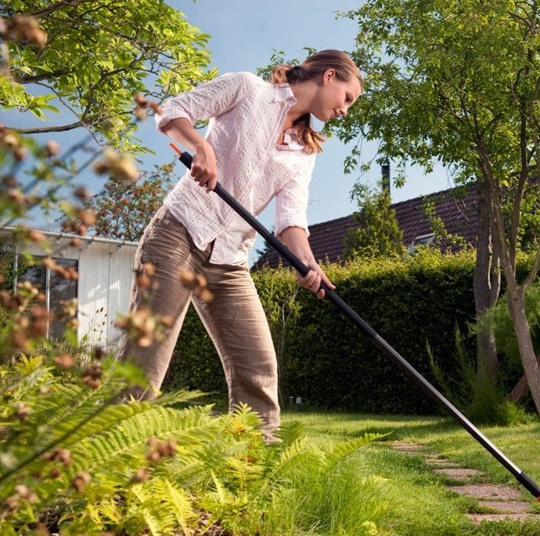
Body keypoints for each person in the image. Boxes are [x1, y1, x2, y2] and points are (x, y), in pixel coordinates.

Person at [117, 49, 363, 441]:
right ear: (329, 76)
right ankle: (106, 463)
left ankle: (253, 470)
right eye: (347, 98)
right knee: (147, 357)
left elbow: (290, 222)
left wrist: (308, 264)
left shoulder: (304, 154)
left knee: (258, 368)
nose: (345, 110)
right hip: (178, 232)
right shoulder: (248, 88)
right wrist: (201, 146)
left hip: (230, 258)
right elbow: (172, 112)